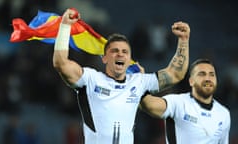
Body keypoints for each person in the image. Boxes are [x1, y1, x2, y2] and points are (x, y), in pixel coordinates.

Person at [53, 8, 190, 144]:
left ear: (129, 58)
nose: (120, 54)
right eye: (115, 51)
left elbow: (175, 74)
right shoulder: (91, 79)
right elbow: (61, 63)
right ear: (104, 58)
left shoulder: (138, 81)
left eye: (125, 51)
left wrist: (183, 41)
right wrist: (65, 26)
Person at [140, 58, 231, 144]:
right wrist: (140, 83)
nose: (208, 79)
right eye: (202, 74)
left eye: (212, 74)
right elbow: (149, 105)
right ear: (191, 81)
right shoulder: (178, 102)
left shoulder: (224, 113)